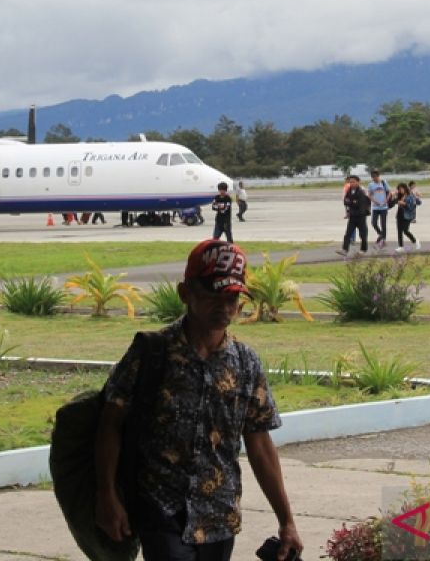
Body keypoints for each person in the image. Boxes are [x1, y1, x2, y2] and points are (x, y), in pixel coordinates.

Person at [94, 239, 303, 561]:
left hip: (219, 515)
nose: (224, 307)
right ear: (185, 293)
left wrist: (286, 521)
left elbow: (260, 445)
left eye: (232, 298)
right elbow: (111, 425)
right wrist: (107, 495)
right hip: (160, 508)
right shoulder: (151, 353)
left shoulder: (246, 363)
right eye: (212, 296)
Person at [337, 175, 371, 257]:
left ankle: (363, 249)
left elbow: (361, 204)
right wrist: (352, 203)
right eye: (350, 182)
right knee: (348, 233)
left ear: (358, 182)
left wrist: (352, 203)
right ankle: (345, 249)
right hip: (352, 216)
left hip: (360, 216)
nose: (351, 183)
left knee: (363, 234)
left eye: (353, 182)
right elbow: (346, 201)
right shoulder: (349, 190)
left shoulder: (361, 192)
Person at [366, 170, 391, 249]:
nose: (374, 179)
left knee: (383, 224)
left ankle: (383, 240)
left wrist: (386, 201)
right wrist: (374, 201)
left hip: (384, 207)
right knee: (374, 223)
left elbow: (389, 192)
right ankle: (381, 235)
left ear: (378, 176)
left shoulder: (384, 182)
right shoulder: (370, 185)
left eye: (375, 177)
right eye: (373, 177)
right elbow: (369, 195)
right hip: (375, 207)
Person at [393, 183, 420, 252]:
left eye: (401, 189)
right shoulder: (400, 195)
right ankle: (400, 246)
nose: (400, 190)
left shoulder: (410, 196)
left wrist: (404, 204)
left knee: (405, 230)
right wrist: (393, 196)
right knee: (399, 231)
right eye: (399, 189)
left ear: (405, 188)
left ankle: (415, 241)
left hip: (407, 215)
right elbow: (394, 202)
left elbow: (411, 206)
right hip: (400, 214)